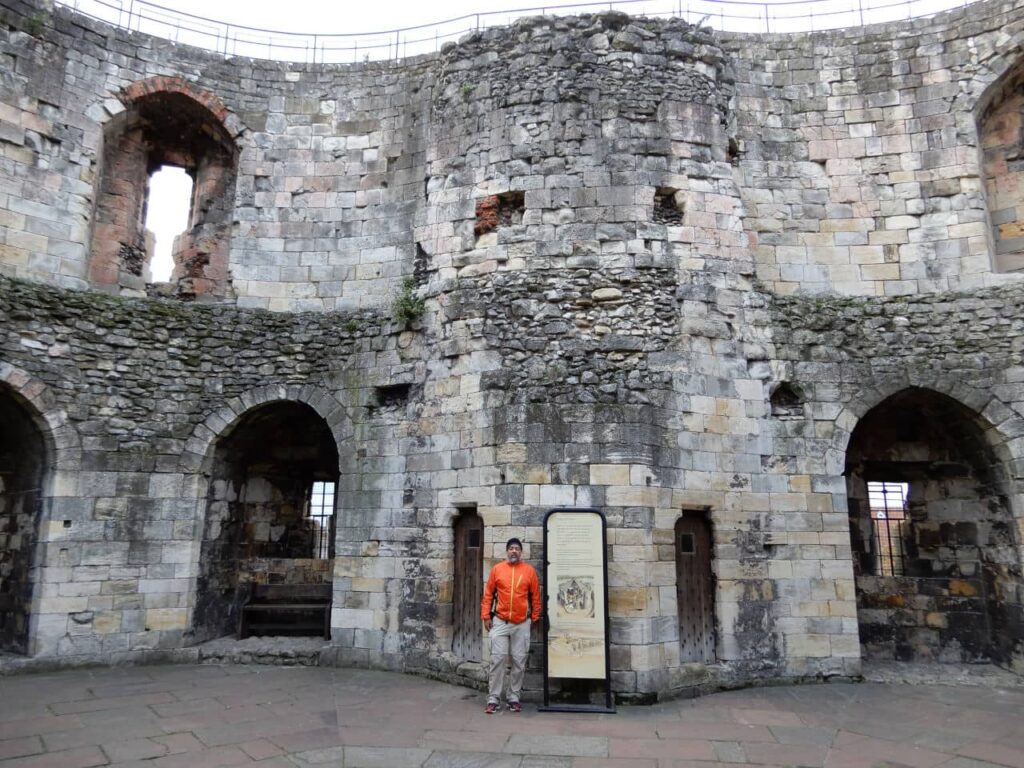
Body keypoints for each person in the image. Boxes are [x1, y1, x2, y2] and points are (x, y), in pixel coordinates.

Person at [480, 536, 541, 713]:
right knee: (497, 660)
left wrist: (534, 618)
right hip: (500, 621)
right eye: (511, 548)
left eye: (517, 548)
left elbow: (536, 596)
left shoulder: (528, 571)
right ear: (507, 551)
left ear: (521, 552)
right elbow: (488, 594)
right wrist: (486, 616)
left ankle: (514, 698)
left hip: (521, 623)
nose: (514, 551)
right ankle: (493, 699)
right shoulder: (497, 569)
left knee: (519, 662)